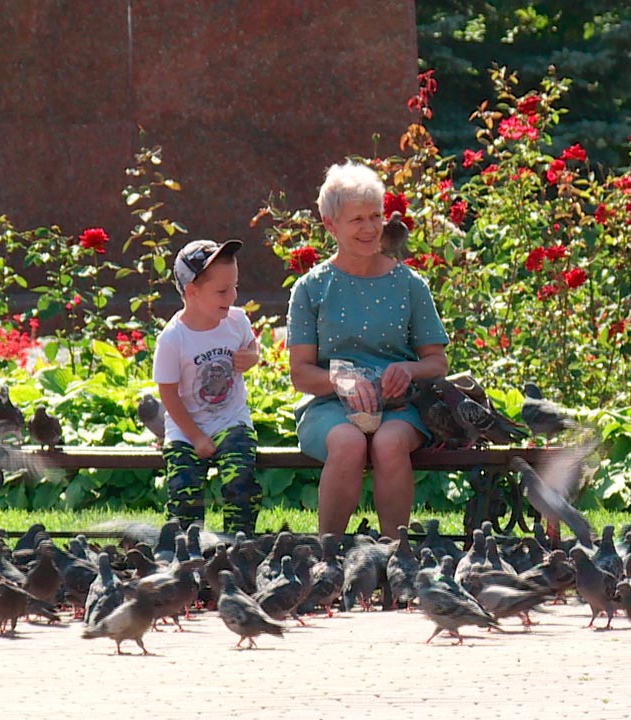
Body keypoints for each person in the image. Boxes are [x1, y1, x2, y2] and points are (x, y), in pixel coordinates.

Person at [287, 161, 449, 538]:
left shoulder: (409, 284)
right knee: (348, 443)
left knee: (390, 444)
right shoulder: (310, 289)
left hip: (400, 406)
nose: (370, 228)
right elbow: (300, 374)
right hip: (330, 407)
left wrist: (409, 370)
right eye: (357, 219)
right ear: (330, 225)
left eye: (375, 216)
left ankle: (398, 557)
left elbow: (437, 362)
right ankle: (329, 555)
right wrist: (341, 381)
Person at [153, 239, 262, 534]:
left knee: (240, 479)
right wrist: (197, 436)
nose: (233, 296)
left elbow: (253, 347)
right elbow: (168, 395)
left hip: (231, 420)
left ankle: (239, 541)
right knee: (184, 488)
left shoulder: (236, 320)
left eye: (235, 287)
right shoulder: (173, 339)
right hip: (186, 428)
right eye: (223, 291)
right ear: (192, 291)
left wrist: (251, 358)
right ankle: (186, 547)